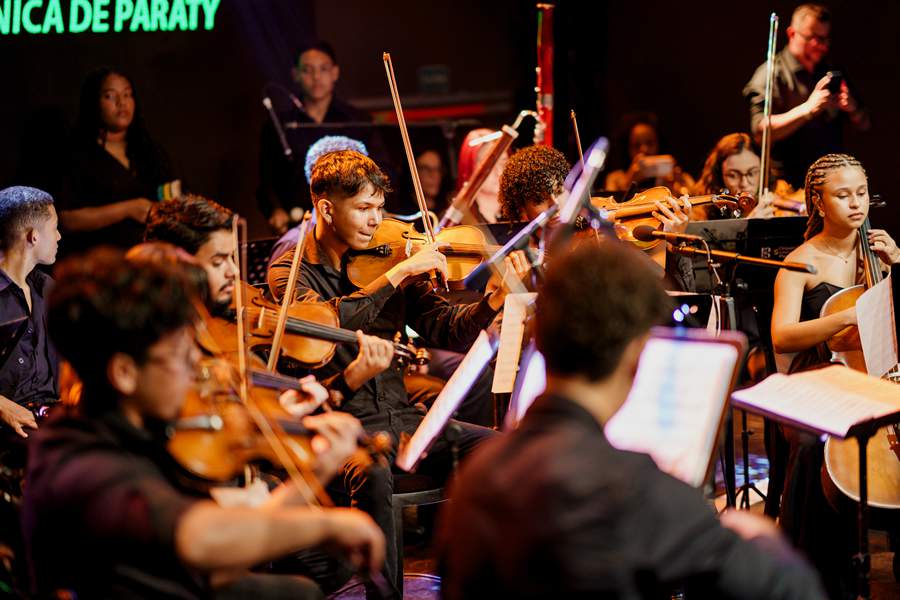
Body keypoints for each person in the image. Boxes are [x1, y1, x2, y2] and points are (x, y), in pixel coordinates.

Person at [438, 238, 827, 600]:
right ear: (639, 353)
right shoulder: (635, 489)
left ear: (539, 336)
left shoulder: (476, 477)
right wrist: (761, 540)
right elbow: (797, 591)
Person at [23, 248, 385, 598]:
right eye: (181, 356)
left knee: (297, 590)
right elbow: (201, 540)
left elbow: (222, 557)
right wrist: (327, 523)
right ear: (125, 372)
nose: (199, 369)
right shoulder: (81, 464)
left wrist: (314, 473)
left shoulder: (135, 428)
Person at [267, 149, 530, 594]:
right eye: (364, 209)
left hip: (403, 420)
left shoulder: (387, 257)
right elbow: (323, 327)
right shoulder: (291, 271)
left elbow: (444, 328)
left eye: (380, 209)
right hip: (338, 427)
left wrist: (490, 302)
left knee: (505, 453)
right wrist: (396, 275)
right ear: (326, 208)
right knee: (372, 472)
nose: (376, 220)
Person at [770, 153, 899, 597]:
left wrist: (897, 269)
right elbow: (783, 336)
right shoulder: (800, 262)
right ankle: (816, 577)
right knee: (812, 443)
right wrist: (844, 321)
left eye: (861, 193)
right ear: (818, 203)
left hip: (875, 375)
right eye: (843, 195)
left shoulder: (881, 254)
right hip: (819, 376)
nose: (856, 203)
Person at [145, 194, 397, 411]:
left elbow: (278, 405)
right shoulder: (155, 345)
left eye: (233, 258)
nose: (234, 272)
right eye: (218, 262)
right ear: (174, 264)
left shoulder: (242, 327)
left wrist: (346, 381)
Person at [743, 4, 870, 189]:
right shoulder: (771, 73)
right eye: (813, 38)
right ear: (792, 33)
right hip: (787, 187)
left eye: (825, 39)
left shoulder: (830, 71)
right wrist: (808, 109)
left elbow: (865, 124)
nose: (820, 46)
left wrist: (853, 108)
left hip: (831, 185)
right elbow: (760, 132)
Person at [58, 67, 178, 256]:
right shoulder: (76, 154)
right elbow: (66, 219)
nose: (122, 103)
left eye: (127, 94)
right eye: (110, 96)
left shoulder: (150, 151)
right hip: (99, 263)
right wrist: (128, 209)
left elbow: (174, 195)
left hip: (149, 263)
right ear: (94, 103)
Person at [258, 41, 372, 234]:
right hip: (298, 226)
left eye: (323, 69)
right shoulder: (280, 124)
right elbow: (266, 180)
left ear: (335, 72)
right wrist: (276, 210)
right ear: (295, 74)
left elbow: (376, 170)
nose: (316, 77)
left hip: (349, 225)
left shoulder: (357, 120)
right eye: (308, 70)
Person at [0, 186, 60, 440]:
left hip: (49, 417)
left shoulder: (47, 289)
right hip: (10, 427)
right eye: (55, 228)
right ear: (34, 236)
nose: (58, 236)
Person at [603, 112, 695, 195]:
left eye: (650, 143)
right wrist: (628, 183)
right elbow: (610, 211)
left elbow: (697, 210)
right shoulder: (615, 179)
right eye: (636, 145)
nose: (644, 149)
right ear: (627, 148)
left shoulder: (680, 178)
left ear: (659, 143)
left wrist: (679, 189)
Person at [453, 128, 509, 223]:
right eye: (490, 164)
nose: (499, 172)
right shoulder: (457, 221)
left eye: (503, 162)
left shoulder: (518, 214)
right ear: (470, 166)